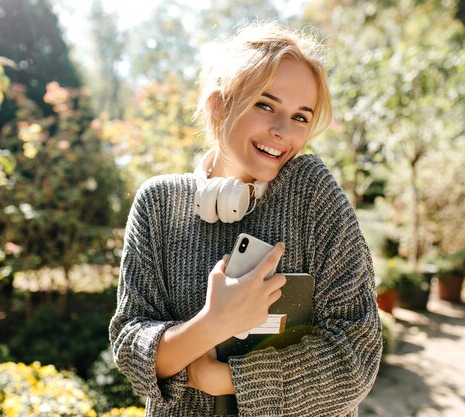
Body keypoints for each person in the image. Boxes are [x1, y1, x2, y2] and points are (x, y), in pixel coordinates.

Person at [109, 22, 382, 417]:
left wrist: (223, 378)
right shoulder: (159, 202)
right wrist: (213, 323)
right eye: (265, 105)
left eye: (301, 117)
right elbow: (130, 347)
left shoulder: (312, 194)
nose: (282, 131)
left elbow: (356, 357)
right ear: (219, 104)